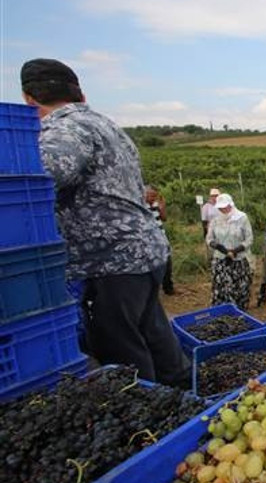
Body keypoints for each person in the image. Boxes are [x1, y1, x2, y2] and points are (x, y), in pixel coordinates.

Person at [21, 58, 189, 387]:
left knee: (123, 355)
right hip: (142, 253)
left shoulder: (65, 129)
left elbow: (44, 176)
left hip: (111, 261)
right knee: (155, 337)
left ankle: (146, 412)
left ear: (29, 100)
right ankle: (185, 401)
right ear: (80, 94)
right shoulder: (107, 126)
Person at [206, 193, 254, 310]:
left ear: (231, 205)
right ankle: (222, 312)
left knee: (239, 288)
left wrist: (235, 251)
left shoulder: (242, 218)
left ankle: (239, 312)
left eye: (225, 206)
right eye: (220, 207)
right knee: (221, 288)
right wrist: (221, 249)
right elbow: (209, 239)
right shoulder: (215, 220)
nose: (223, 209)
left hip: (239, 259)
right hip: (220, 259)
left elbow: (249, 239)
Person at [145, 185, 175, 295]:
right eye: (151, 196)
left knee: (167, 262)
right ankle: (152, 290)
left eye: (155, 196)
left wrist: (162, 208)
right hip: (149, 240)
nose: (153, 198)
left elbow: (164, 218)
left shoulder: (156, 204)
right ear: (144, 194)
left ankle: (168, 287)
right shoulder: (141, 206)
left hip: (162, 237)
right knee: (152, 265)